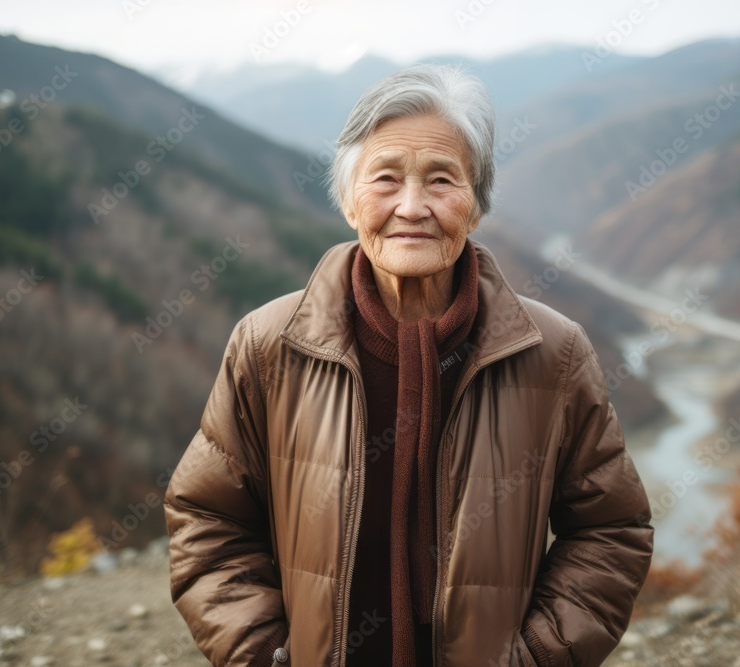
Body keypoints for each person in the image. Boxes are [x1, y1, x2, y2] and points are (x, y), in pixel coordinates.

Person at [164, 63, 653, 667]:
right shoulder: (270, 345)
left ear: (476, 204)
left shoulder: (553, 353)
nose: (412, 206)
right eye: (385, 179)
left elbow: (611, 528)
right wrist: (265, 653)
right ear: (348, 201)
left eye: (442, 180)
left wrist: (534, 657)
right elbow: (207, 517)